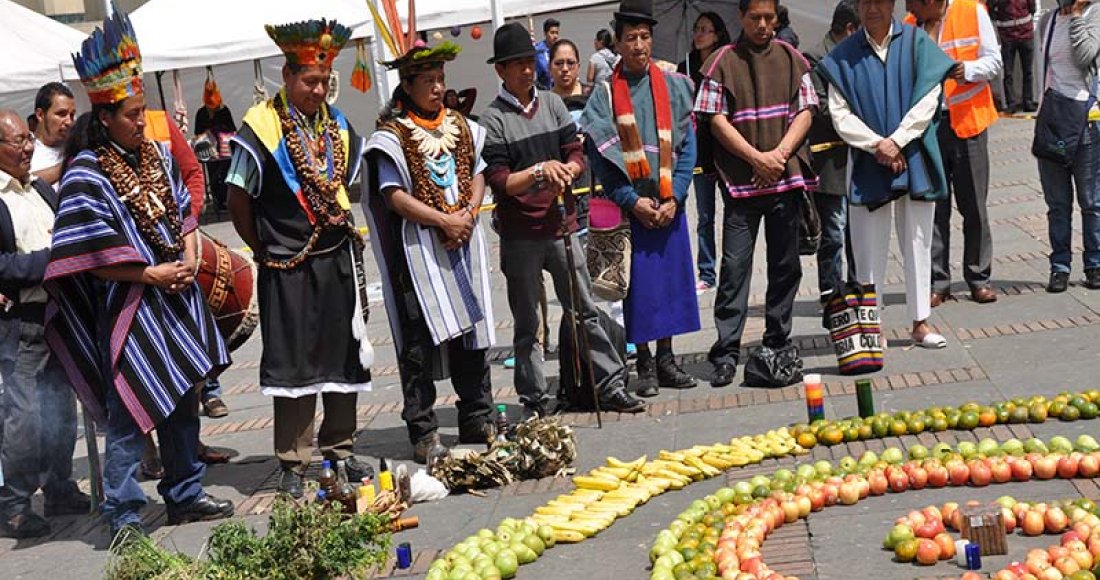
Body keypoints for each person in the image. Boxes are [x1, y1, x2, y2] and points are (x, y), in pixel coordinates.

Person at [45, 8, 233, 540]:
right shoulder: (86, 172)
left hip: (176, 299)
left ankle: (185, 494)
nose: (139, 119)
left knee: (180, 400)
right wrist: (148, 274)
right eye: (130, 112)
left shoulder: (157, 157)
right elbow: (87, 248)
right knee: (129, 408)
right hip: (129, 307)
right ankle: (124, 512)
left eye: (141, 108)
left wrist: (190, 255)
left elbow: (181, 209)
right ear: (104, 117)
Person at [226, 18, 373, 498]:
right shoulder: (262, 127)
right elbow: (238, 199)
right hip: (286, 264)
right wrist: (263, 246)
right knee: (294, 363)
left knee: (342, 355)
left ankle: (341, 449)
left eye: (324, 81)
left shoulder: (337, 124)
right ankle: (293, 460)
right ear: (286, 77)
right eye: (310, 81)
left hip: (335, 260)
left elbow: (346, 182)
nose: (318, 89)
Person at [482, 22, 644, 415]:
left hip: (562, 225)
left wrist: (569, 170)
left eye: (527, 62)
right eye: (514, 64)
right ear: (500, 71)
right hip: (521, 234)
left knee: (585, 309)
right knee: (527, 324)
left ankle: (609, 383)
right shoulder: (493, 119)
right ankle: (535, 397)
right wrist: (540, 172)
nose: (524, 70)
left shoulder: (553, 104)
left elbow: (576, 152)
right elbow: (501, 181)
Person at [362, 38, 497, 464]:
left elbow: (478, 172)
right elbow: (393, 196)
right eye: (429, 81)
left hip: (463, 242)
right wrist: (443, 220)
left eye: (441, 79)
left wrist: (469, 214)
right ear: (407, 84)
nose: (438, 88)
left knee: (471, 335)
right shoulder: (391, 136)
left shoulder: (461, 125)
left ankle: (477, 413)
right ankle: (422, 429)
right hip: (420, 254)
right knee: (418, 345)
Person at [818, 0, 956, 349]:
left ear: (892, 4)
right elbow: (839, 113)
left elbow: (929, 97)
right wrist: (878, 145)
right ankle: (871, 326)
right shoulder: (843, 54)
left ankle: (920, 321)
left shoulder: (915, 42)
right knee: (865, 247)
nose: (872, 9)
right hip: (867, 160)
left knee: (918, 239)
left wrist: (897, 141)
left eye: (879, 1)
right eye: (865, 2)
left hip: (914, 155)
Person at [694, 0, 817, 387]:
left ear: (777, 17)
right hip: (740, 185)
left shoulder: (794, 59)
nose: (763, 25)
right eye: (755, 18)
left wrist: (778, 156)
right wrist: (756, 158)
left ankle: (777, 342)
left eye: (769, 18)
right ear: (741, 19)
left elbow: (807, 110)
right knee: (734, 270)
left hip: (783, 181)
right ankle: (727, 351)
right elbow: (714, 119)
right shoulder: (721, 62)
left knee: (786, 267)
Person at [581, 0, 701, 397]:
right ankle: (645, 363)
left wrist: (676, 196)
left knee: (670, 287)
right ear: (617, 43)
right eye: (630, 38)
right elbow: (600, 160)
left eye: (644, 37)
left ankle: (668, 359)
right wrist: (633, 200)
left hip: (668, 205)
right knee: (639, 293)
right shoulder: (602, 96)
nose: (638, 45)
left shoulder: (675, 86)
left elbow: (688, 149)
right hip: (631, 210)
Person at [0, 111, 89, 539]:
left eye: (27, 141)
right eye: (17, 142)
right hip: (22, 323)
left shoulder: (40, 190)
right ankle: (16, 505)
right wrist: (50, 262)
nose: (27, 148)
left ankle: (59, 487)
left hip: (60, 315)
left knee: (61, 407)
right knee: (24, 416)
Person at [905, 0, 1002, 307]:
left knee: (973, 205)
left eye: (914, 2)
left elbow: (994, 62)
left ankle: (979, 278)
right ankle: (938, 281)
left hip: (967, 123)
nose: (909, 8)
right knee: (936, 208)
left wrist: (966, 70)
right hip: (928, 128)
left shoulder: (971, 11)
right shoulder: (910, 25)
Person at [1035, 0, 1100, 292]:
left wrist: (1075, 16)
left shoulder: (1095, 13)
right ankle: (1059, 266)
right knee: (1057, 204)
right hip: (1054, 120)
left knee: (1091, 201)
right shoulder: (1047, 21)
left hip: (1087, 119)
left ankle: (1095, 264)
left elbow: (1086, 55)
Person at [805, 1, 860, 305]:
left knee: (856, 229)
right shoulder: (815, 56)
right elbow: (822, 108)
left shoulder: (857, 54)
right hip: (829, 158)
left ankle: (857, 286)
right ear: (850, 28)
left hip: (856, 154)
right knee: (834, 229)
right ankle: (830, 290)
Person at [677, 12, 732, 294]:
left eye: (706, 30)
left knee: (734, 214)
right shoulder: (684, 66)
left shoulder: (726, 62)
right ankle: (707, 272)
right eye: (697, 29)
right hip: (698, 152)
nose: (699, 34)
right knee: (705, 215)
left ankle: (733, 268)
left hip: (726, 149)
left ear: (718, 34)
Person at [194, 72, 236, 210]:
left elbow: (232, 130)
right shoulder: (201, 113)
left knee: (226, 173)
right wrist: (206, 134)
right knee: (213, 174)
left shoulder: (224, 111)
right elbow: (197, 133)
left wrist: (221, 131)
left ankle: (226, 199)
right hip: (209, 150)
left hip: (225, 150)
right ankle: (218, 200)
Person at [990, 0, 1037, 112]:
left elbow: (1032, 8)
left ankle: (1028, 102)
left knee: (1027, 72)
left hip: (1025, 35)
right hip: (1007, 37)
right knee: (1008, 72)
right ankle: (1011, 104)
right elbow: (991, 10)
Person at [29, 83, 75, 189]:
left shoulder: (76, 146)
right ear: (40, 115)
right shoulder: (25, 152)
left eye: (72, 115)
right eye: (61, 114)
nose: (69, 121)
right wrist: (68, 165)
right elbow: (22, 185)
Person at [535, 18, 561, 90]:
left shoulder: (560, 49)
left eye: (557, 33)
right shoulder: (538, 50)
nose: (555, 36)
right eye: (552, 33)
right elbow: (546, 69)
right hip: (543, 88)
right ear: (545, 33)